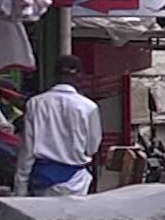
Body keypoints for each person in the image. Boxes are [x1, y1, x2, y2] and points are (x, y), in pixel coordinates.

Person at [15, 55, 101, 197]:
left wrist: (20, 186)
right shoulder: (89, 107)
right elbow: (92, 148)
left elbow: (28, 149)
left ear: (54, 75)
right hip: (77, 181)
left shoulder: (35, 103)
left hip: (43, 180)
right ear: (79, 76)